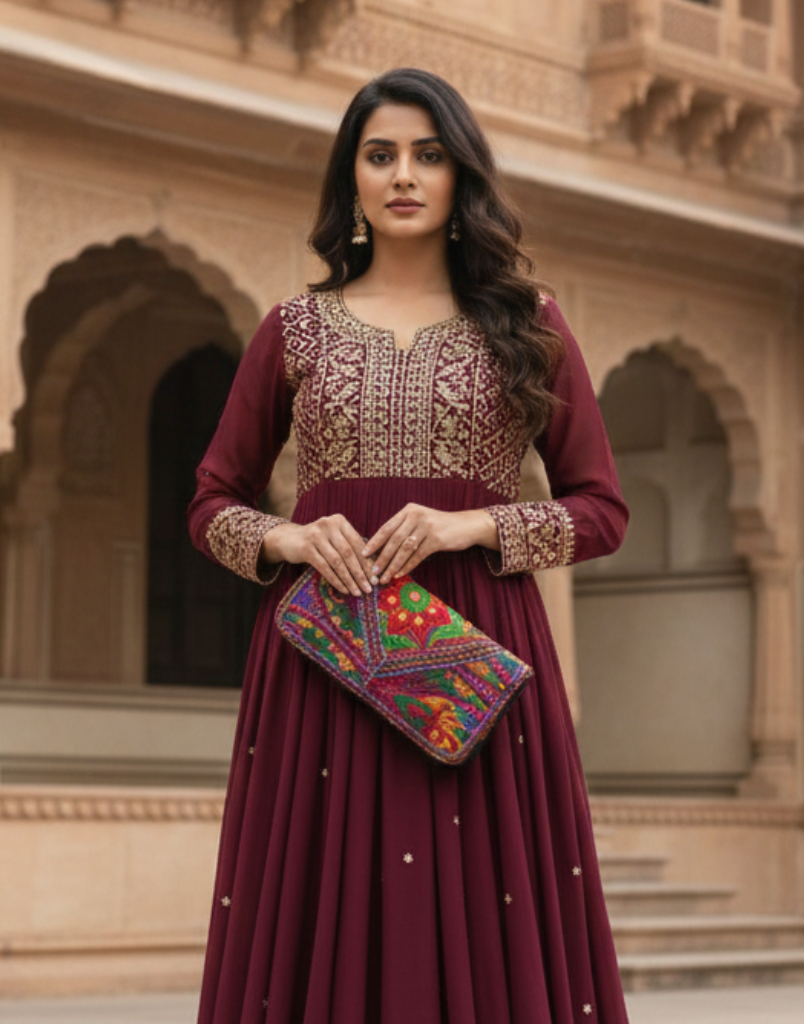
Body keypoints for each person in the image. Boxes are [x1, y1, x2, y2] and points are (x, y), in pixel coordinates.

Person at [188, 67, 630, 1024]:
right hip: (324, 659)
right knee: (324, 899)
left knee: (483, 902)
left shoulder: (528, 324)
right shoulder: (294, 329)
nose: (403, 175)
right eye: (379, 155)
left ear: (459, 176)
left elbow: (601, 510)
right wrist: (292, 538)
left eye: (428, 156)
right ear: (350, 180)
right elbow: (212, 502)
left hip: (476, 654)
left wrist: (475, 523)